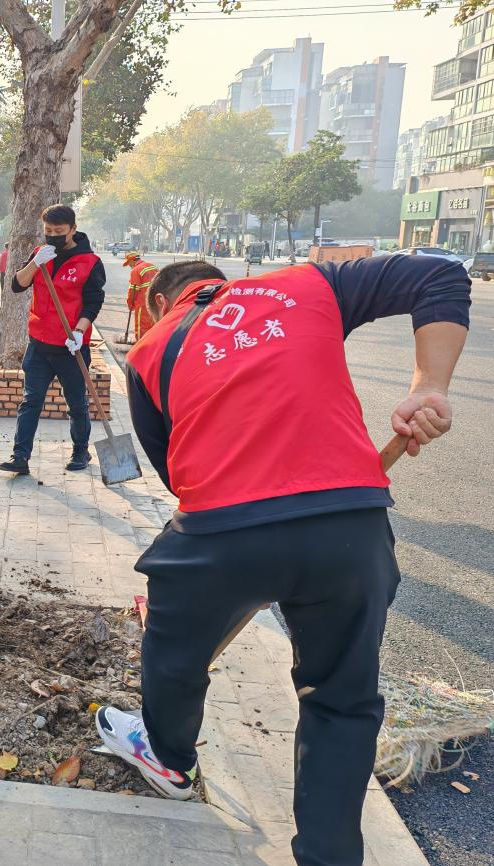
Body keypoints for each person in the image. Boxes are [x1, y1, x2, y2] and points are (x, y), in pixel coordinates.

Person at [95, 255, 470, 866]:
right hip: (348, 527)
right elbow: (441, 275)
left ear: (159, 303)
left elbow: (176, 476)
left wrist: (246, 561)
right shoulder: (307, 284)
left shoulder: (151, 352)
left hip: (222, 532)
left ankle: (168, 757)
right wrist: (429, 386)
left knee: (173, 652)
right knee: (340, 702)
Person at [0, 204, 105, 476]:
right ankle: (20, 456)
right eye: (48, 230)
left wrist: (79, 332)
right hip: (39, 345)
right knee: (30, 401)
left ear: (73, 229)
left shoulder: (89, 262)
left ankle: (80, 450)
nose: (53, 235)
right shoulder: (40, 254)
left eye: (59, 231)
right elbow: (17, 285)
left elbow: (93, 303)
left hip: (71, 347)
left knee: (76, 403)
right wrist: (35, 263)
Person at [123, 251, 158, 341]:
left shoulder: (136, 270)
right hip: (155, 301)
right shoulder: (152, 266)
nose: (130, 266)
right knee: (153, 324)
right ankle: (152, 343)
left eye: (129, 264)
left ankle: (140, 345)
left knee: (141, 326)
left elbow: (133, 290)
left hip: (143, 303)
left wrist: (130, 303)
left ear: (132, 261)